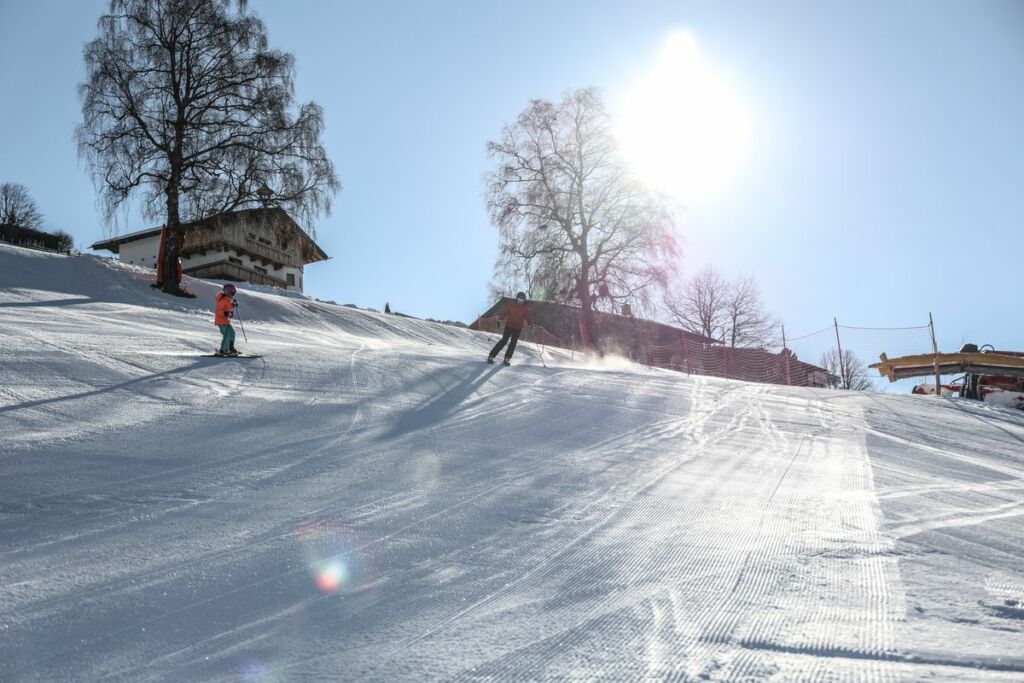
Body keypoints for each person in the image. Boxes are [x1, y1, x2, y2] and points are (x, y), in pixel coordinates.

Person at [488, 291, 533, 365]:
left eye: (522, 300)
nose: (520, 301)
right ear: (517, 299)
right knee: (504, 341)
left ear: (524, 300)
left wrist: (530, 324)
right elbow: (504, 313)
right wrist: (500, 319)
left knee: (513, 343)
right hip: (509, 326)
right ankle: (491, 356)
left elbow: (529, 318)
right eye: (519, 300)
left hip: (518, 328)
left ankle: (507, 358)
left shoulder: (525, 308)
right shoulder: (511, 305)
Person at [214, 283, 239, 356]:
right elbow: (219, 310)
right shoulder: (222, 299)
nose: (232, 293)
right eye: (230, 291)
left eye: (233, 292)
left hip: (225, 321)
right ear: (226, 291)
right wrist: (225, 313)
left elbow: (228, 307)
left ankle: (230, 348)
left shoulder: (228, 299)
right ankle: (223, 350)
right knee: (227, 335)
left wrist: (233, 305)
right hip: (220, 321)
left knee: (232, 333)